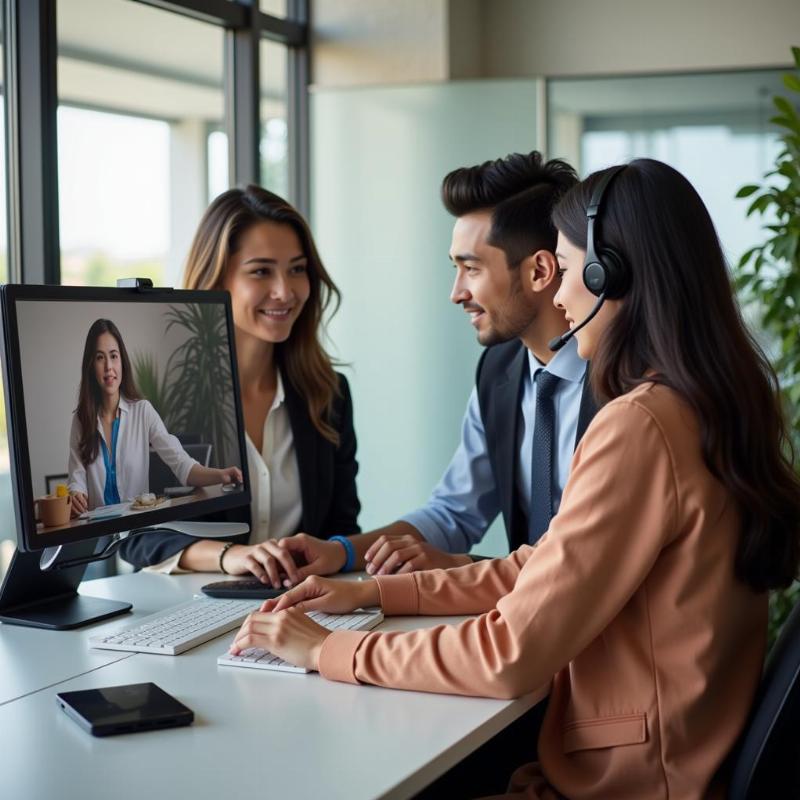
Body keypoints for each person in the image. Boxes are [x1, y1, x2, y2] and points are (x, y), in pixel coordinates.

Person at [229, 159, 800, 799]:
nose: (558, 296)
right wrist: (373, 594)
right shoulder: (712, 401)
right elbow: (547, 565)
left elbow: (510, 653)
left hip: (629, 782)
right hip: (679, 756)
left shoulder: (639, 424)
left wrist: (324, 652)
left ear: (607, 274)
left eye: (568, 269)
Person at [274, 151, 595, 581]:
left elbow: (584, 558)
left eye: (471, 268)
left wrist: (458, 569)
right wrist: (341, 552)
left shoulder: (623, 384)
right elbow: (453, 514)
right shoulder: (499, 373)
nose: (456, 292)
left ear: (540, 270)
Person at [119, 186, 360, 580]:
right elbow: (136, 534)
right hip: (184, 611)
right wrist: (230, 556)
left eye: (297, 269)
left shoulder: (328, 395)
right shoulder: (165, 396)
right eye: (261, 271)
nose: (285, 291)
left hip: (296, 614)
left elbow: (341, 531)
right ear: (217, 280)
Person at [68, 318, 242, 516]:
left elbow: (182, 464)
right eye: (100, 358)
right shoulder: (81, 420)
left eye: (113, 356)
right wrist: (76, 494)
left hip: (138, 529)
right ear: (90, 366)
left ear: (122, 361)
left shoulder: (143, 411)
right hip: (97, 533)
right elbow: (77, 478)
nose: (108, 366)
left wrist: (222, 475)